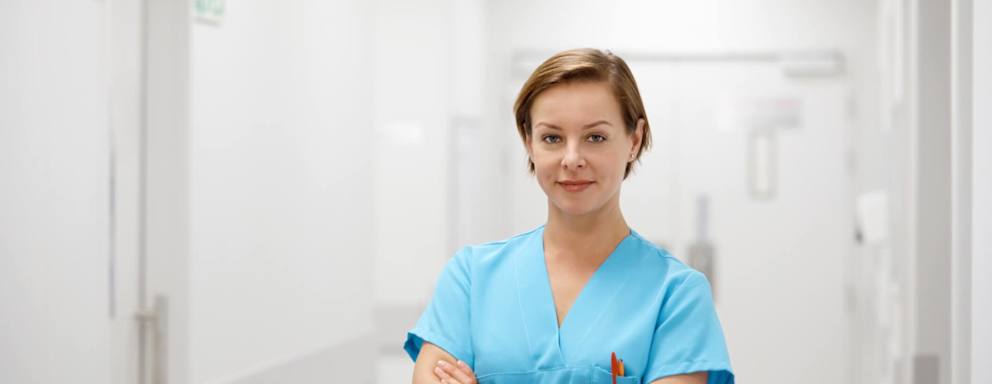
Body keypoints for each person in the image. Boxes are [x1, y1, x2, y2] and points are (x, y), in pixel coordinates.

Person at [404, 48, 734, 384]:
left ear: (634, 140)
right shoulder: (472, 278)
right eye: (552, 138)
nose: (572, 158)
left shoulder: (676, 295)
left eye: (595, 137)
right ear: (528, 141)